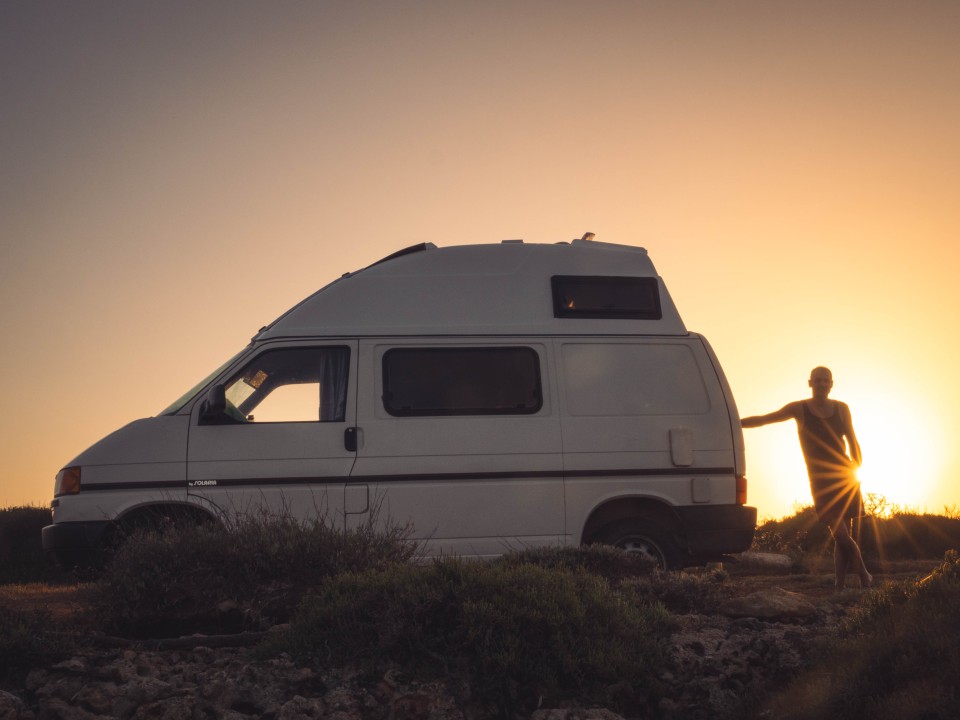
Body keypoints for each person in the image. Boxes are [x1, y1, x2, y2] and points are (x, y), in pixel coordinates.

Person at [741, 366, 873, 591]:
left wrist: (857, 467)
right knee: (840, 533)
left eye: (826, 381)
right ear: (810, 383)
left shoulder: (842, 409)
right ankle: (865, 576)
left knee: (843, 536)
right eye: (818, 381)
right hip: (820, 482)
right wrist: (735, 422)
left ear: (832, 384)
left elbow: (852, 439)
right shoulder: (799, 409)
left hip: (845, 478)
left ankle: (839, 587)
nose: (822, 384)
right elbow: (765, 419)